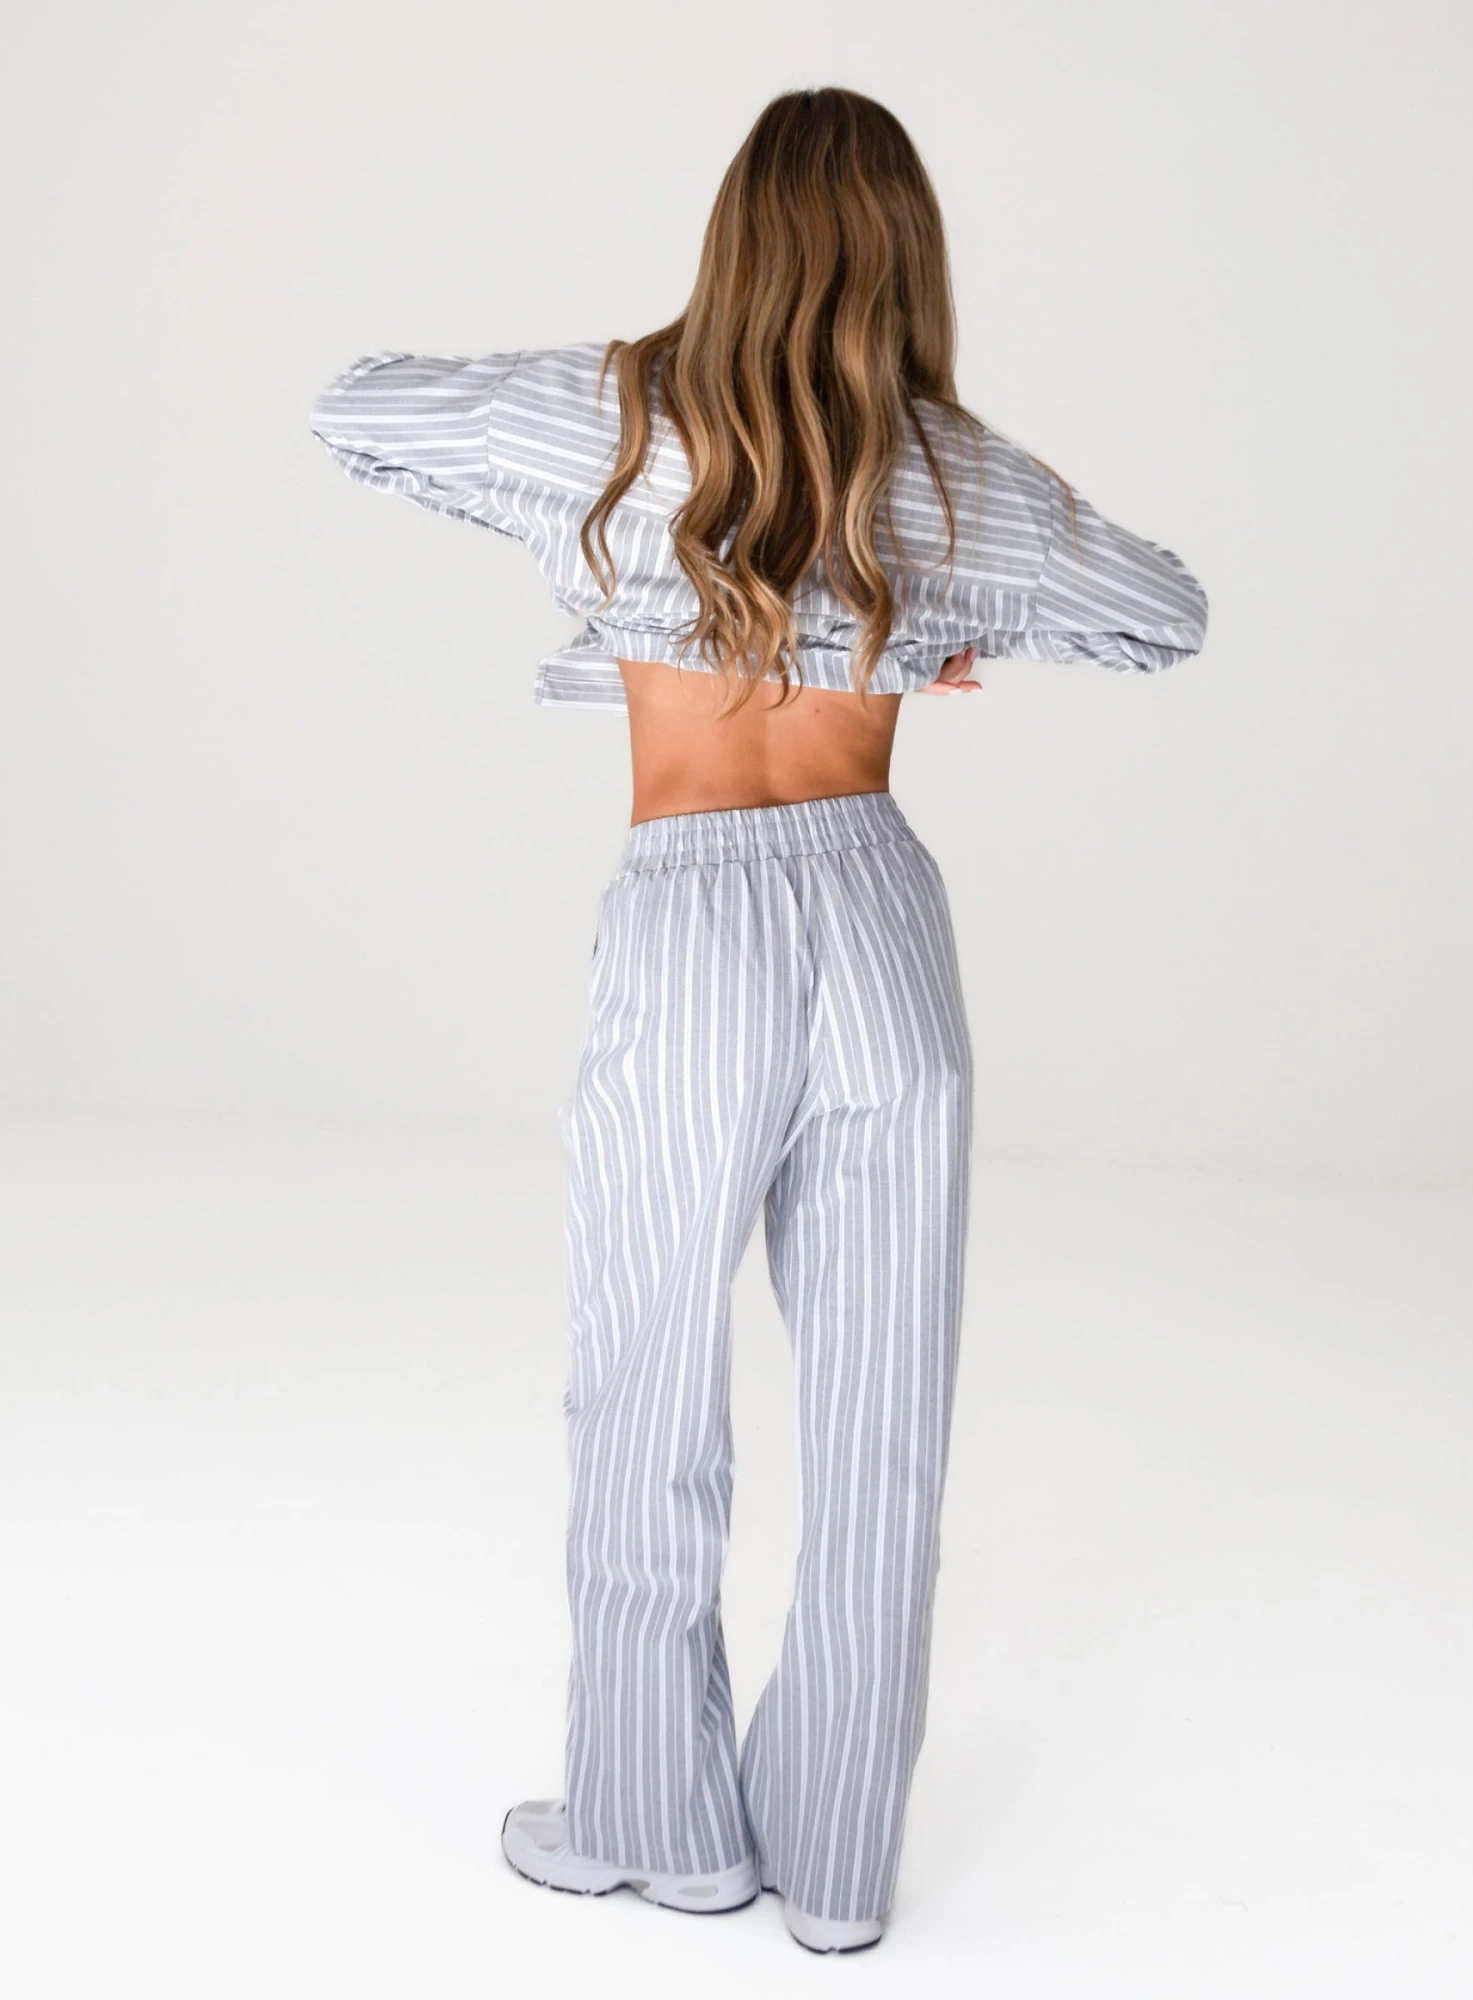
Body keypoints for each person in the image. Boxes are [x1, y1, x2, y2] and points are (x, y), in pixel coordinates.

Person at [308, 85, 1209, 1956]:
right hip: (881, 916)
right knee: (884, 1416)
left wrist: (588, 545)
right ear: (910, 258)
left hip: (694, 921)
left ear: (732, 235)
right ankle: (836, 1866)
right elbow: (1166, 613)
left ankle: (658, 1826)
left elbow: (355, 408)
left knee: (645, 1380)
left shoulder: (613, 417)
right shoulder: (953, 478)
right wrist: (950, 626)